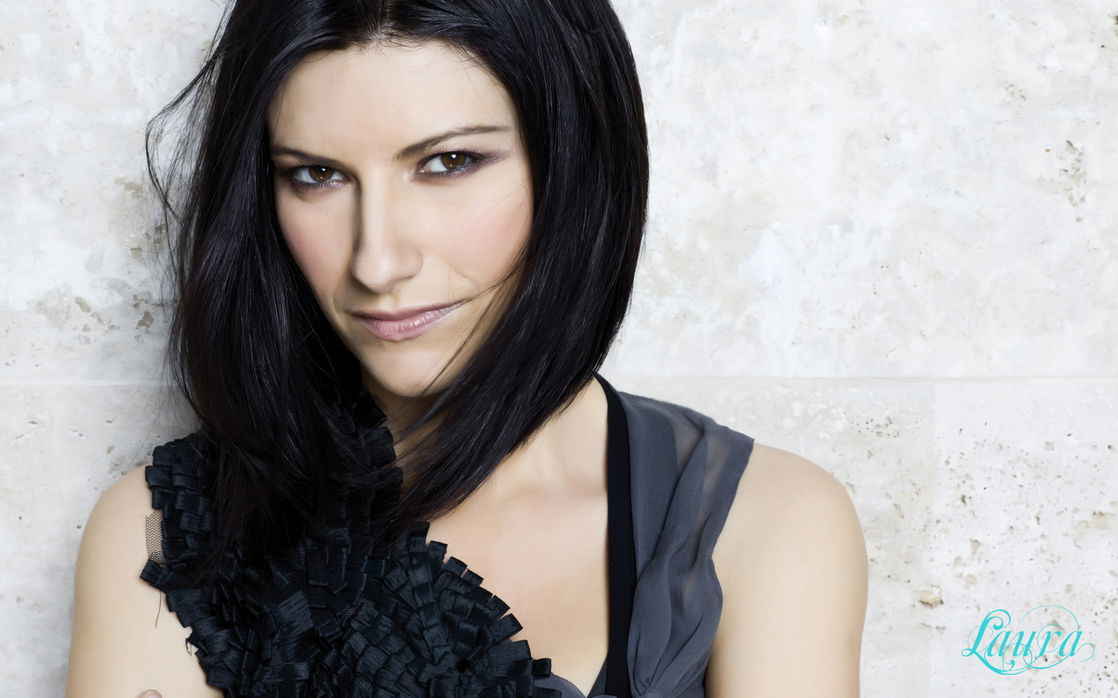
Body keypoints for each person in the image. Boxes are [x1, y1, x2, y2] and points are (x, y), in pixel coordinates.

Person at [65, 1, 868, 696]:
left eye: (448, 163)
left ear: (574, 166)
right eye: (316, 175)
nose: (378, 262)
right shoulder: (166, 533)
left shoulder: (768, 523)